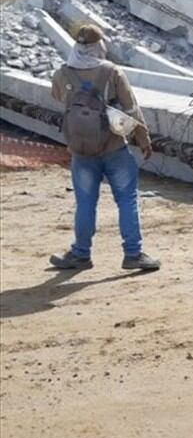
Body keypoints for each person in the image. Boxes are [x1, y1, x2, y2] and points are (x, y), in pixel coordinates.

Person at [49, 24, 160, 271]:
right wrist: (143, 139)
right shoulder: (112, 72)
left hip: (81, 151)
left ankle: (81, 254)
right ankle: (133, 254)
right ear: (100, 46)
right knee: (127, 200)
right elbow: (131, 109)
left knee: (86, 203)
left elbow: (57, 98)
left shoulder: (62, 74)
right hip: (113, 148)